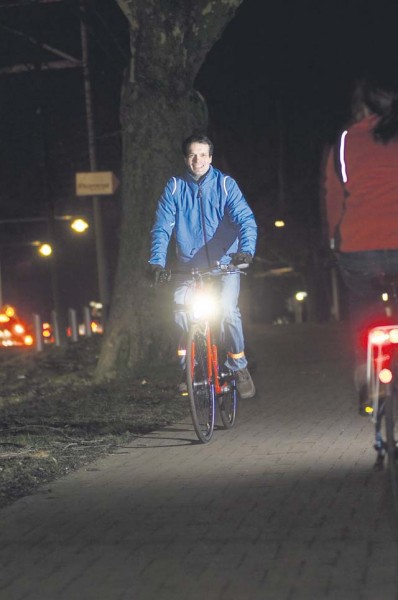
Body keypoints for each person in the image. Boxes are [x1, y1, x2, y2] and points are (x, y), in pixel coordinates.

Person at [149, 133, 257, 399]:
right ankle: (190, 370)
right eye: (192, 155)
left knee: (229, 312)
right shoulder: (174, 187)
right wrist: (156, 263)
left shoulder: (225, 185)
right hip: (190, 268)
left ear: (210, 157)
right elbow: (162, 228)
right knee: (179, 311)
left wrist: (245, 252)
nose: (197, 160)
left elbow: (246, 220)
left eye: (202, 155)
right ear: (186, 158)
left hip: (225, 265)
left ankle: (239, 366)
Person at [323, 75, 398, 408]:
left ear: (361, 106)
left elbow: (334, 195)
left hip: (358, 246)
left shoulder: (345, 141)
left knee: (362, 303)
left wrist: (332, 237)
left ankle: (364, 367)